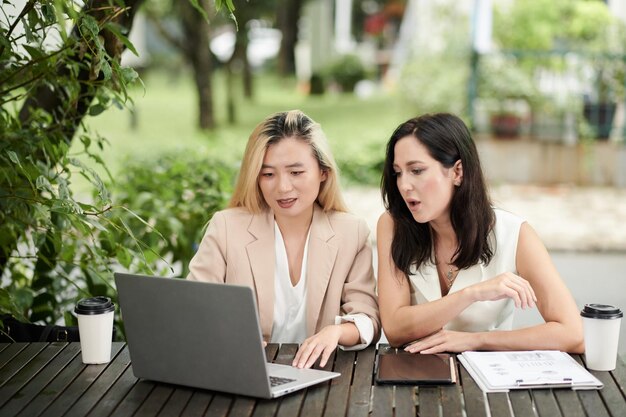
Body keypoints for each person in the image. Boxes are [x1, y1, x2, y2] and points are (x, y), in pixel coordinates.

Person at [377, 113, 584, 353]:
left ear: (457, 172)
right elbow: (394, 329)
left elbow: (572, 333)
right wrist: (471, 294)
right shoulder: (393, 225)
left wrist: (476, 341)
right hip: (412, 375)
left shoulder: (515, 234)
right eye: (398, 172)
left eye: (416, 170)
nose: (404, 185)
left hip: (488, 378)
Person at [188, 110, 380, 368]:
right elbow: (193, 307)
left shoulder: (352, 232)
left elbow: (367, 318)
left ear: (323, 172)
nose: (282, 187)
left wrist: (335, 332)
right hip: (243, 370)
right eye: (268, 174)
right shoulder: (226, 226)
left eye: (296, 172)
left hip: (321, 376)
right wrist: (229, 335)